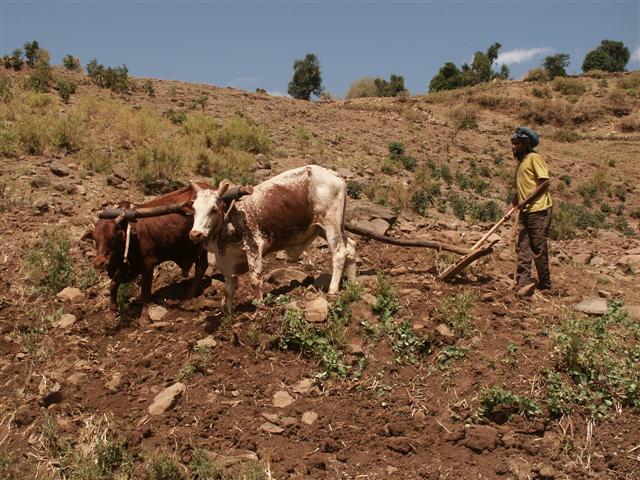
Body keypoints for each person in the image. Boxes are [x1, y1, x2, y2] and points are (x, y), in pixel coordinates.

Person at [510, 127, 553, 297]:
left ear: (526, 145)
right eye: (512, 143)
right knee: (523, 246)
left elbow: (544, 183)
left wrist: (525, 201)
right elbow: (520, 190)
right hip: (525, 211)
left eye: (517, 144)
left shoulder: (535, 158)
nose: (513, 147)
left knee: (538, 247)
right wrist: (513, 204)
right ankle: (523, 282)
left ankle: (546, 284)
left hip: (539, 210)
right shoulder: (520, 163)